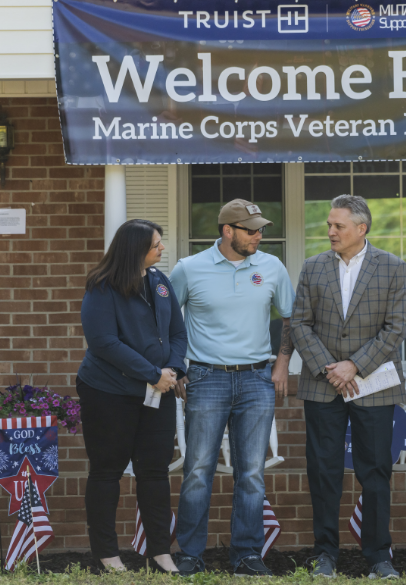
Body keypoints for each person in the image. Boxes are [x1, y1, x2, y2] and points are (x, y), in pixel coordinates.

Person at [170, 199, 295, 577]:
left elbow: (290, 318)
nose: (259, 235)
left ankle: (246, 554)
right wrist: (177, 368)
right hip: (206, 378)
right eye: (251, 229)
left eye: (260, 229)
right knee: (198, 469)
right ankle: (190, 554)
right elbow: (167, 324)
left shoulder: (271, 266)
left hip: (257, 379)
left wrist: (282, 362)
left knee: (252, 473)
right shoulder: (188, 269)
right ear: (227, 231)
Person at [291, 195, 406, 580]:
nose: (330, 232)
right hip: (323, 386)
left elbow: (395, 329)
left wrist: (354, 365)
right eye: (329, 225)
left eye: (338, 226)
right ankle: (325, 555)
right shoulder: (312, 267)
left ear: (362, 228)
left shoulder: (392, 268)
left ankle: (378, 557)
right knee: (323, 471)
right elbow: (299, 324)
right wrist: (332, 370)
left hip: (374, 386)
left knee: (375, 471)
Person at [77, 219, 187, 573]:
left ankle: (159, 552)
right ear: (135, 248)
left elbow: (177, 333)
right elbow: (104, 343)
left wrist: (171, 371)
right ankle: (106, 555)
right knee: (107, 471)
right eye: (156, 244)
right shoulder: (102, 286)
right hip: (109, 391)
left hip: (159, 391)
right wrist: (152, 374)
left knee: (155, 471)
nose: (162, 249)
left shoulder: (160, 282)